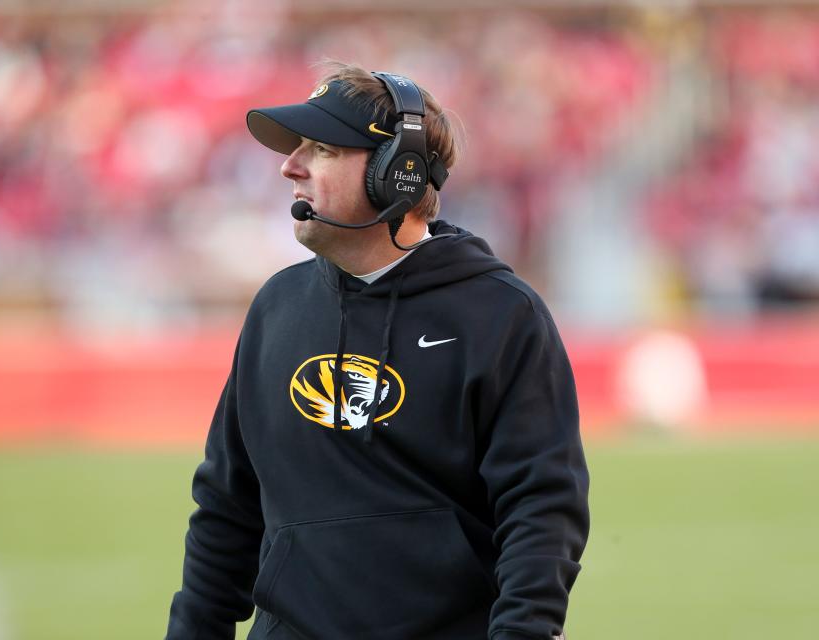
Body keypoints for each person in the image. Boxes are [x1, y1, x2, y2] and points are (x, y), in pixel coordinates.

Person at [165, 61, 589, 640]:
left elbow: (541, 514)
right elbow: (225, 512)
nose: (290, 167)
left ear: (400, 174)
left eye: (321, 149)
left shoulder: (502, 316)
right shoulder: (276, 307)